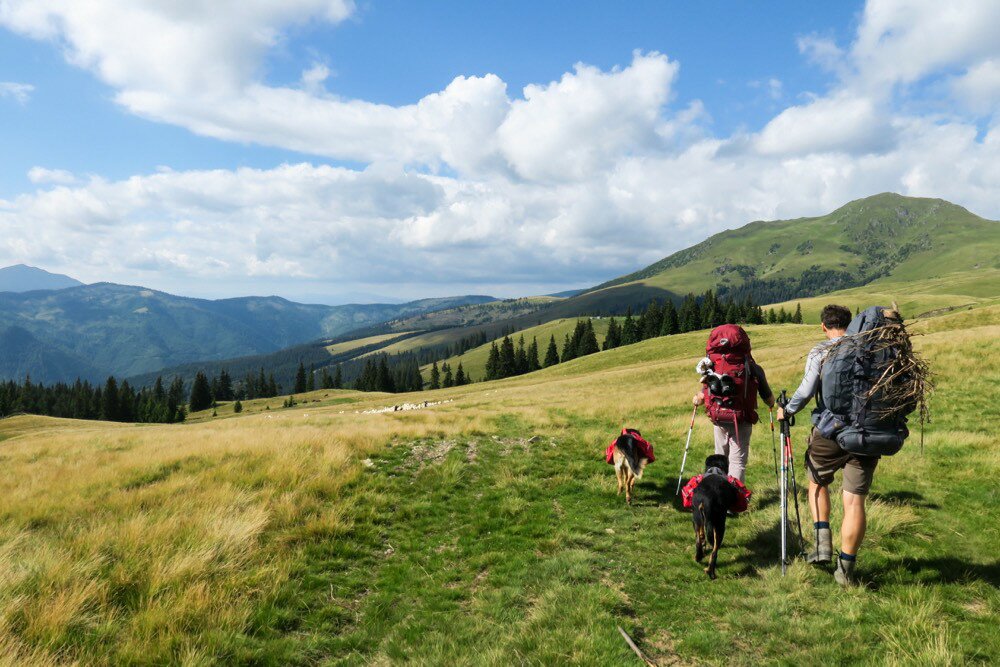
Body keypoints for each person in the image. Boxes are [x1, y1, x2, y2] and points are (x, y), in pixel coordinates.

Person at [776, 304, 871, 586]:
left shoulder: (822, 350)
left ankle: (822, 546)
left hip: (830, 429)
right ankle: (846, 571)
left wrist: (787, 410)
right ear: (850, 323)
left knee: (817, 482)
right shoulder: (867, 349)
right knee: (855, 501)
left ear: (823, 326)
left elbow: (806, 390)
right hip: (866, 434)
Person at [691, 325, 775, 484]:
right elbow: (769, 399)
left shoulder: (712, 365)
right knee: (737, 462)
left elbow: (705, 391)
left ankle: (719, 496)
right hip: (741, 418)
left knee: (720, 458)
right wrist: (771, 403)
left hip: (718, 417)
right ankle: (734, 502)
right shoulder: (752, 366)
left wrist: (698, 398)